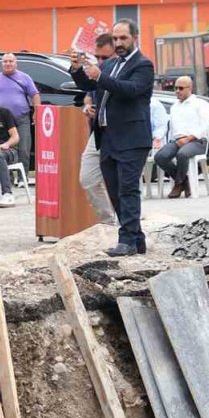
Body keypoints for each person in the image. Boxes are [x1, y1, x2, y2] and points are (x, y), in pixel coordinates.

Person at [73, 19, 155, 257]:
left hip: (132, 138)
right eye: (115, 39)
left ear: (134, 37)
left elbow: (129, 90)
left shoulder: (143, 65)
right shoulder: (110, 64)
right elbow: (91, 85)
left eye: (123, 38)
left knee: (127, 190)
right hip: (107, 136)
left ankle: (127, 240)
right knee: (114, 189)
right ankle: (136, 239)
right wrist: (78, 69)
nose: (118, 43)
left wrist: (100, 77)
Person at [71, 35, 118, 226]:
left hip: (121, 132)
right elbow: (89, 92)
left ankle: (127, 224)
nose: (100, 62)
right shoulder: (98, 71)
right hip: (99, 131)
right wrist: (87, 107)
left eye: (105, 58)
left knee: (122, 183)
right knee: (88, 179)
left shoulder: (125, 70)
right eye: (97, 57)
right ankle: (108, 221)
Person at [156, 75, 209, 198]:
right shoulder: (174, 106)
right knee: (160, 156)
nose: (177, 91)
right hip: (178, 140)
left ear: (190, 88)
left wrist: (189, 138)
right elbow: (172, 128)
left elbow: (205, 127)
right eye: (175, 88)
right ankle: (184, 180)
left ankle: (178, 184)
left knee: (182, 154)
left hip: (197, 141)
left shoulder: (200, 104)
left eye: (181, 88)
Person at [0, 52, 40, 170]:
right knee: (4, 148)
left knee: (24, 149)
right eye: (5, 61)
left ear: (16, 63)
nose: (8, 64)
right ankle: (8, 176)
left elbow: (35, 95)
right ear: (1, 64)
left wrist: (37, 113)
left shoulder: (25, 77)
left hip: (21, 119)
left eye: (11, 61)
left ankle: (23, 178)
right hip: (2, 121)